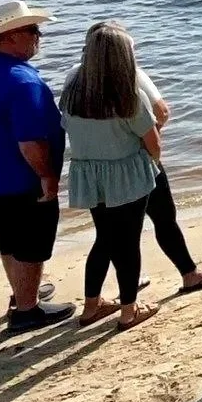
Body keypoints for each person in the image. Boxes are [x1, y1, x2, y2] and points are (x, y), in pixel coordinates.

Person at [63, 23, 202, 303]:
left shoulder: (73, 81)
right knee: (161, 220)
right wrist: (148, 143)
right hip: (134, 164)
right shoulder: (130, 78)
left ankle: (100, 298)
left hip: (92, 172)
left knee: (107, 236)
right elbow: (162, 112)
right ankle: (186, 274)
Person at [0, 0, 75, 332]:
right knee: (32, 245)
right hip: (22, 179)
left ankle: (21, 293)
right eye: (34, 30)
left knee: (9, 241)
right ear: (12, 36)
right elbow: (30, 142)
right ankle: (27, 309)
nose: (39, 37)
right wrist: (47, 176)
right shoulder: (23, 82)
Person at [59, 22, 164, 329]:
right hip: (126, 174)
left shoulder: (73, 92)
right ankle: (129, 310)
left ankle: (91, 306)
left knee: (104, 239)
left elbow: (69, 129)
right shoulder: (129, 93)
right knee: (128, 243)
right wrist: (150, 161)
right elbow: (154, 144)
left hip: (89, 174)